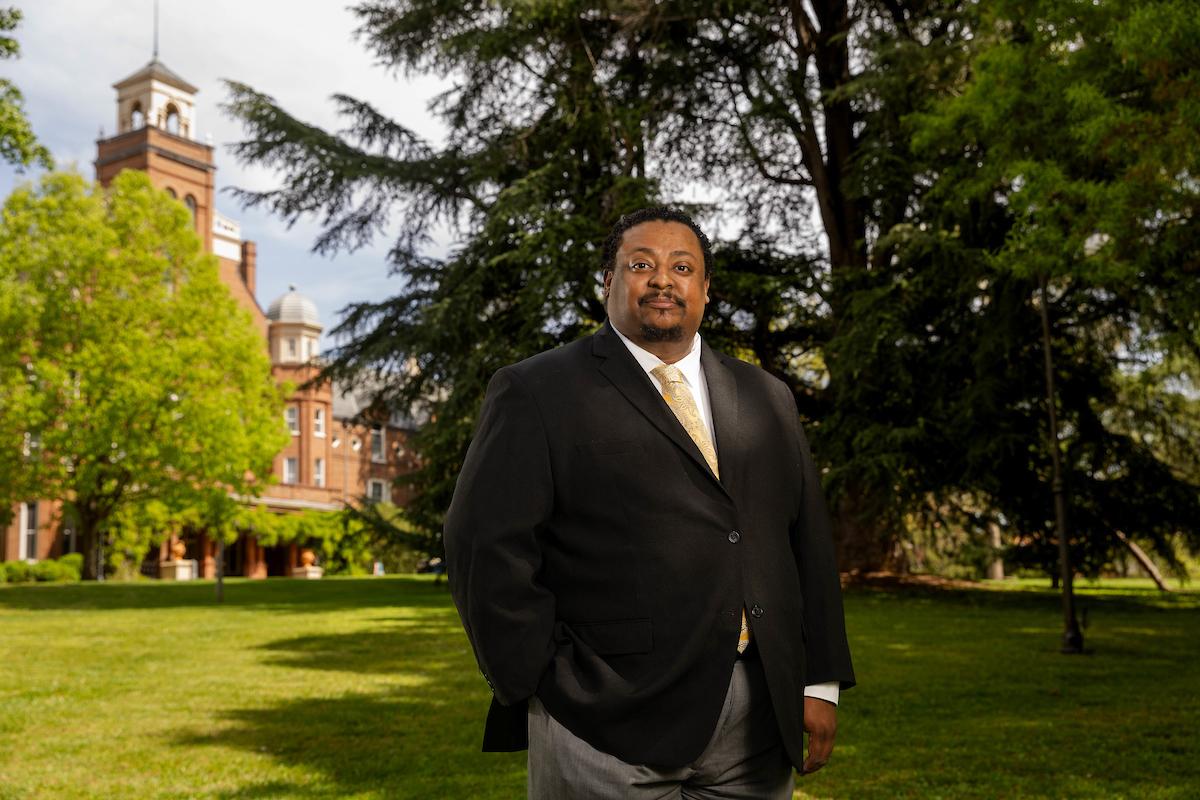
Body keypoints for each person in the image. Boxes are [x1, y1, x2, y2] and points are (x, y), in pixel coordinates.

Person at [445, 206, 855, 798]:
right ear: (609, 283)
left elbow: (806, 544)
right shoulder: (538, 390)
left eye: (682, 266)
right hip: (604, 715)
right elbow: (483, 544)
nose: (663, 279)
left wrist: (820, 682)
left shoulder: (767, 398)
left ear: (706, 291)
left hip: (759, 713)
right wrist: (541, 674)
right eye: (641, 264)